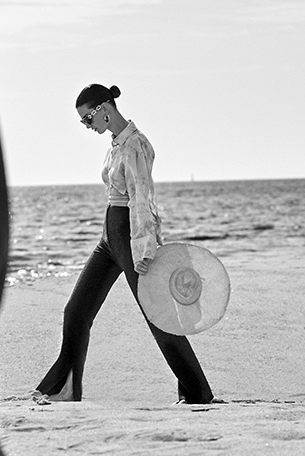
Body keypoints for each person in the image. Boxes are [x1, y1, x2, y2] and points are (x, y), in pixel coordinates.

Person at [32, 83, 215, 405]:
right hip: (110, 238)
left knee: (157, 315)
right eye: (83, 122)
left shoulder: (135, 145)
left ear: (103, 108)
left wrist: (144, 247)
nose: (87, 126)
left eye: (87, 119)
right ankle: (64, 388)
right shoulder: (116, 144)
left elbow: (142, 198)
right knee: (76, 312)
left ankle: (197, 392)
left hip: (128, 235)